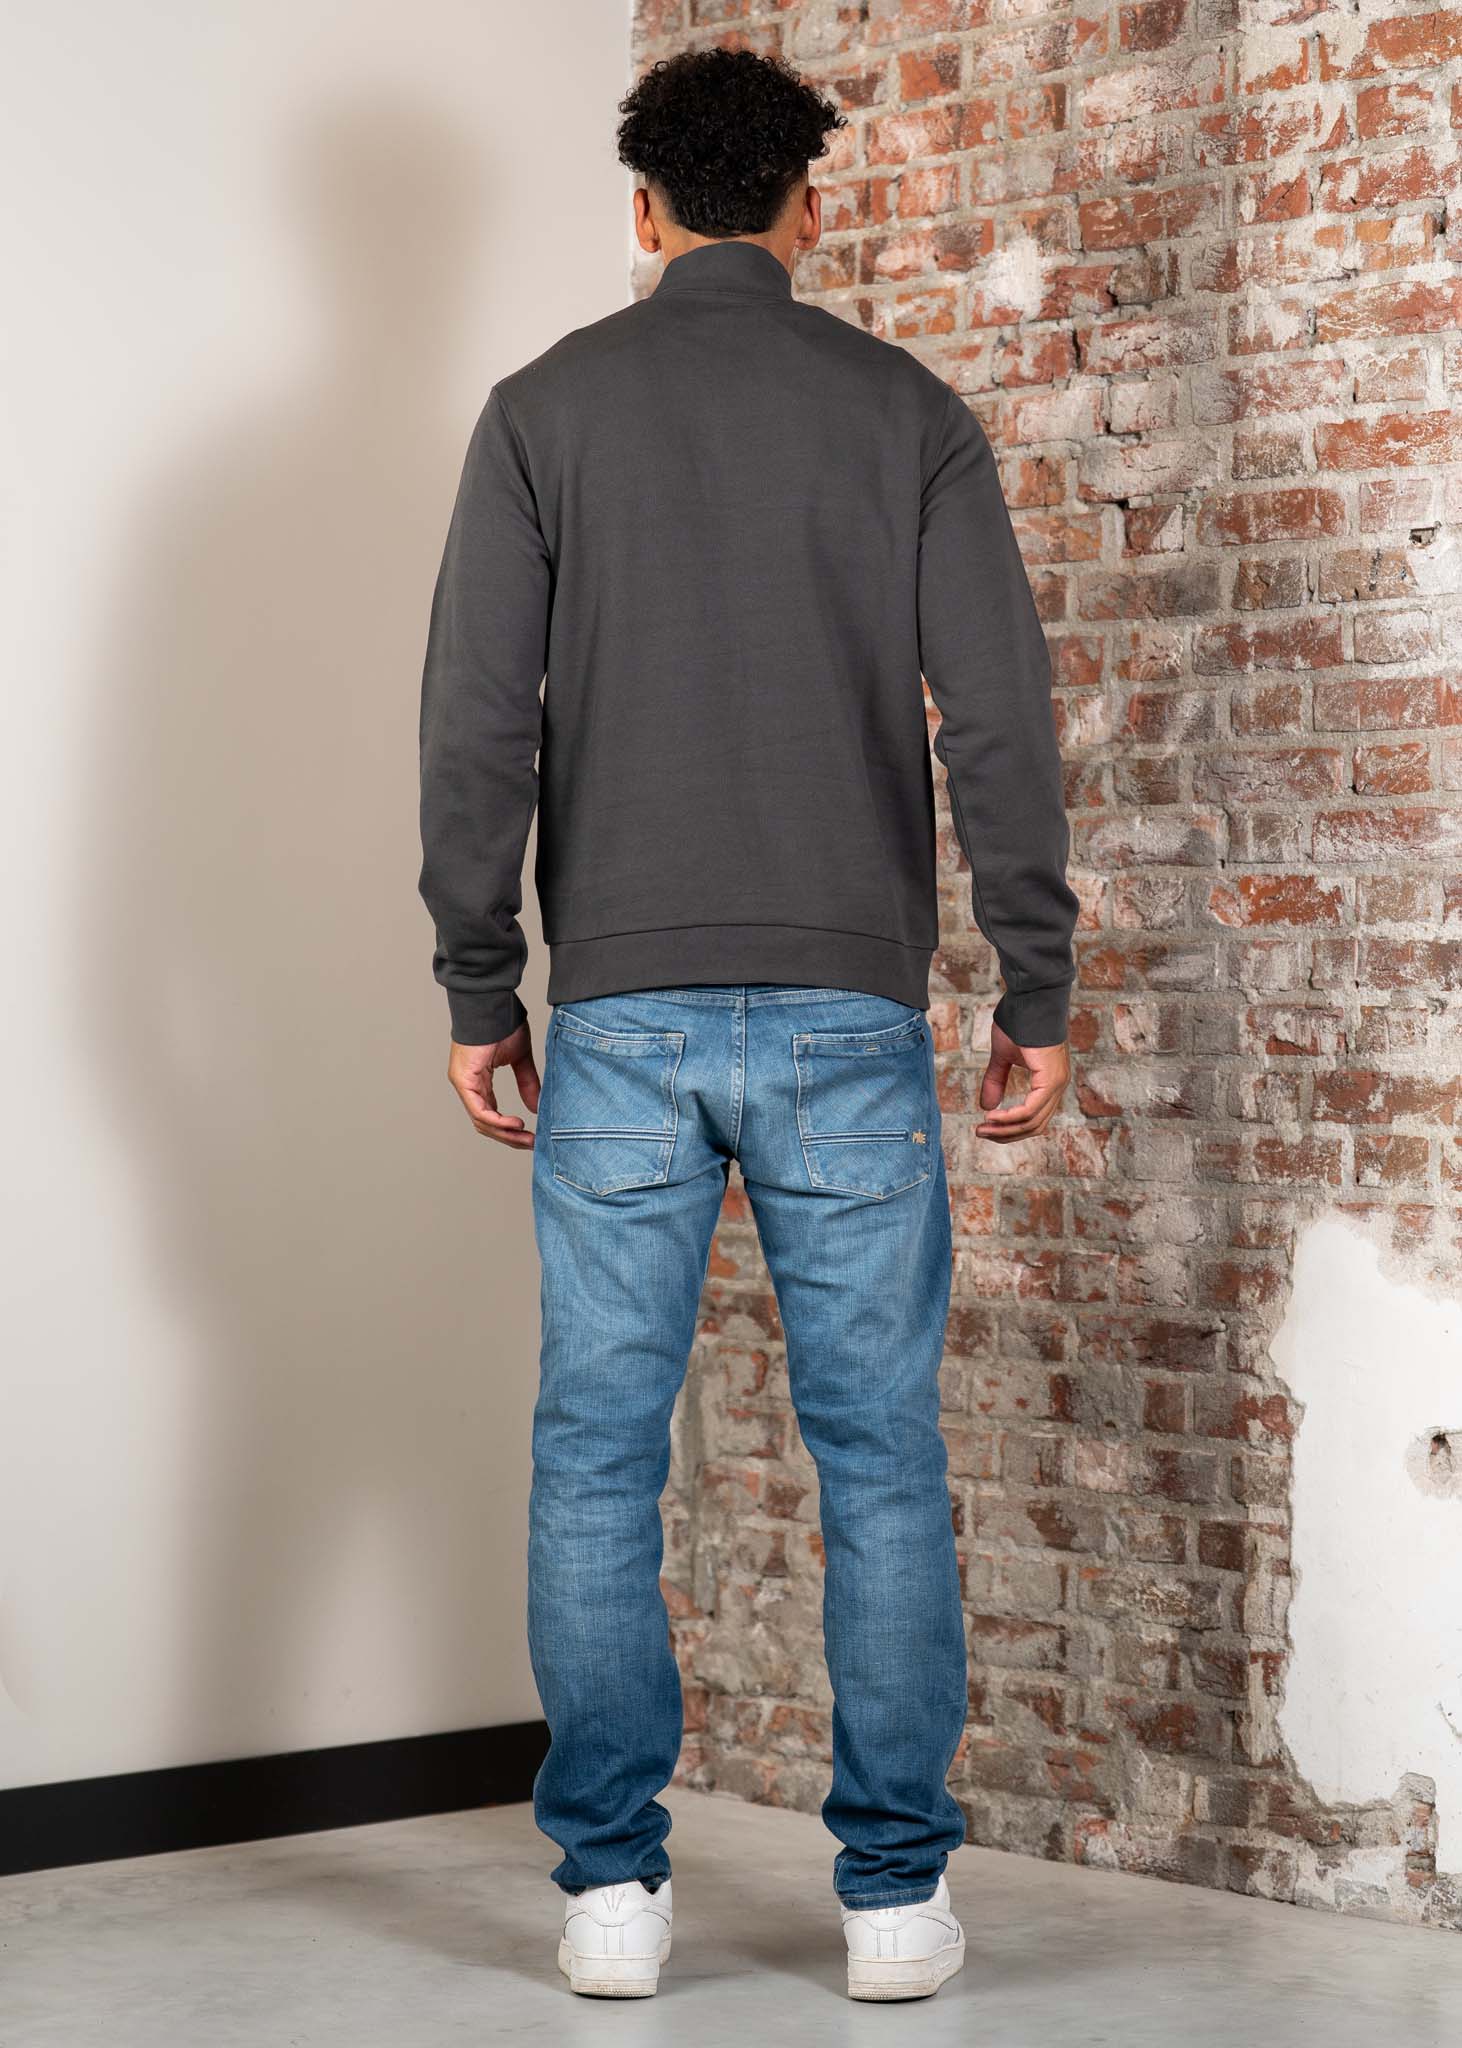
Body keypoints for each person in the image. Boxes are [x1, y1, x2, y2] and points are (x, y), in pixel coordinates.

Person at [417, 44, 1078, 2004]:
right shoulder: (904, 414)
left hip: (619, 1015)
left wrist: (479, 984)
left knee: (593, 1454)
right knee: (877, 1456)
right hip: (843, 1012)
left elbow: (476, 726)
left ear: (641, 211)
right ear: (809, 207)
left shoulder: (541, 411)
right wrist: (1031, 980)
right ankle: (889, 1901)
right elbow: (999, 718)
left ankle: (612, 1895)